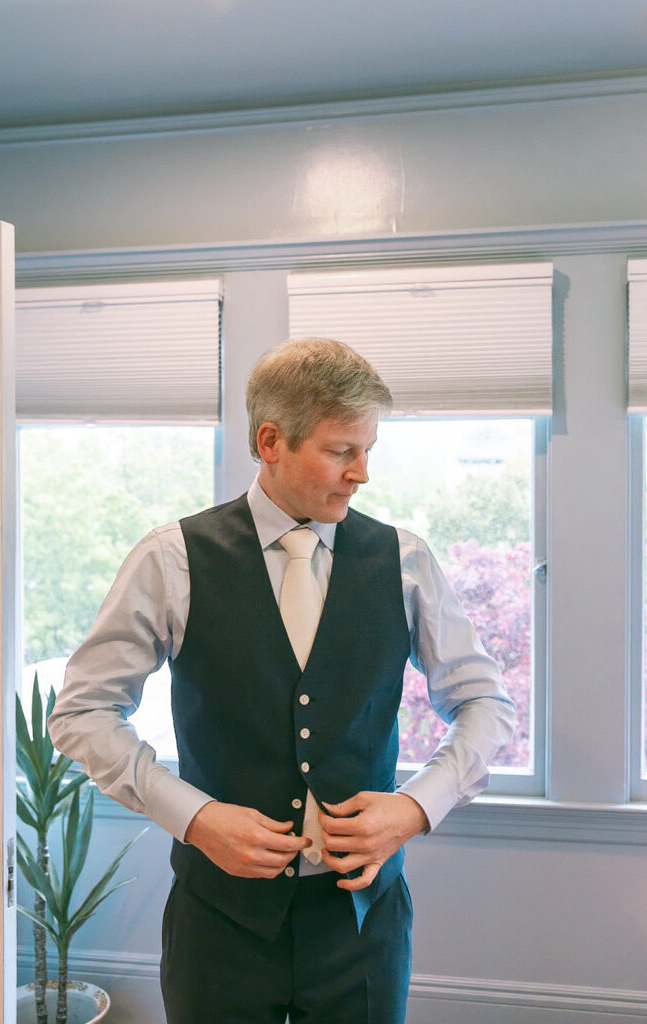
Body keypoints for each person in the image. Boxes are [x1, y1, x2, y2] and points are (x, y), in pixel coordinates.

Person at [49, 337, 515, 1024]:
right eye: (340, 451)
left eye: (368, 451)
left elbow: (486, 702)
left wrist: (416, 805)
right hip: (217, 929)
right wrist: (196, 817)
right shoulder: (170, 559)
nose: (361, 474)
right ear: (271, 441)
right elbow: (81, 713)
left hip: (362, 927)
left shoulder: (404, 561)